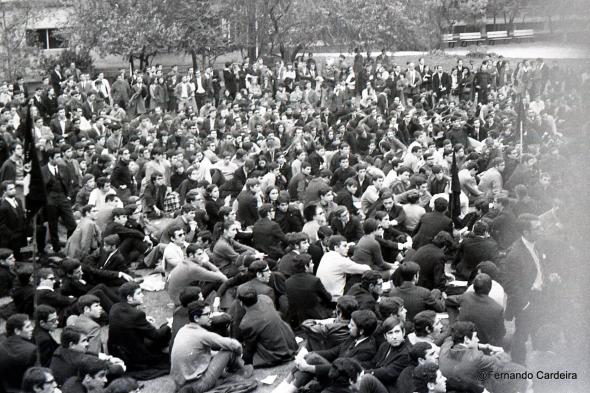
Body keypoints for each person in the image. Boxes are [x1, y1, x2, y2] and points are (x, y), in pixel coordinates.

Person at [171, 300, 253, 392]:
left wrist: (218, 355)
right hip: (198, 384)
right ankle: (242, 370)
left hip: (181, 383)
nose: (210, 317)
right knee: (228, 350)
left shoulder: (183, 330)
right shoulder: (202, 334)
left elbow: (199, 354)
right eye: (207, 314)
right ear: (196, 318)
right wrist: (239, 354)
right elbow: (235, 345)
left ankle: (230, 371)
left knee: (219, 352)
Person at [108, 282, 171, 380]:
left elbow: (126, 321)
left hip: (117, 351)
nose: (142, 295)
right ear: (129, 298)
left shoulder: (115, 307)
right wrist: (170, 325)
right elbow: (156, 335)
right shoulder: (137, 315)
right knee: (165, 328)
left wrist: (144, 320)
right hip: (134, 354)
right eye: (139, 293)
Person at [237, 286, 298, 367]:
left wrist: (245, 360)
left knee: (251, 344)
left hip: (277, 354)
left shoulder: (246, 322)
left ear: (241, 303)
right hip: (290, 342)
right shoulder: (266, 299)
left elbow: (249, 347)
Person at [447, 273, 506, 346]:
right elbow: (501, 333)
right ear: (490, 288)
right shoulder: (497, 308)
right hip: (484, 344)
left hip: (462, 338)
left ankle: (453, 328)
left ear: (473, 286)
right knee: (509, 339)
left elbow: (448, 301)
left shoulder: (466, 296)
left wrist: (453, 322)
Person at [316, 235, 371, 301]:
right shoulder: (341, 261)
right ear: (336, 247)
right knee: (359, 276)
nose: (348, 248)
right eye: (345, 246)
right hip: (335, 299)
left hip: (323, 296)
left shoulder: (326, 255)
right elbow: (366, 269)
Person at [285, 253, 333, 326]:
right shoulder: (314, 280)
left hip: (296, 319)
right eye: (311, 263)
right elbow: (327, 298)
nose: (313, 264)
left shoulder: (287, 282)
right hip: (315, 317)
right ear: (306, 266)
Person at [365, 315, 411, 390]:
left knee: (366, 379)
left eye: (397, 332)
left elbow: (388, 373)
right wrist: (357, 367)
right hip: (379, 382)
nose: (394, 336)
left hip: (391, 388)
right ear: (385, 336)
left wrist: (365, 372)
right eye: (390, 333)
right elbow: (373, 362)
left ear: (403, 332)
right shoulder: (385, 346)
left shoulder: (407, 352)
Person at [0, 314, 36, 393]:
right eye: (28, 327)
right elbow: (34, 377)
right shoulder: (31, 350)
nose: (32, 328)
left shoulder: (1, 343)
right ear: (17, 331)